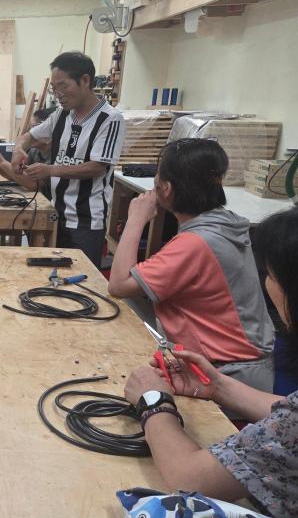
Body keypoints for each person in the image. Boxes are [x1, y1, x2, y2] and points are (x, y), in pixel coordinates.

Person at [124, 203, 298, 518]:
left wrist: (154, 402)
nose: (267, 285)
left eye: (271, 276)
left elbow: (188, 478)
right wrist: (218, 386)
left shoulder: (191, 242)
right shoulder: (229, 230)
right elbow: (297, 414)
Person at [109, 139, 274, 392]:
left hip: (229, 375)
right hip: (240, 365)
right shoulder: (224, 222)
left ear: (165, 188)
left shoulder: (195, 243)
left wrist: (136, 219)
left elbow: (118, 285)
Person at [1, 52, 125, 269]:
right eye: (54, 89)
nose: (58, 95)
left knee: (82, 278)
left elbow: (97, 167)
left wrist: (49, 170)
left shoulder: (110, 119)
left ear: (85, 80)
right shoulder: (62, 115)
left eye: (63, 87)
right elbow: (29, 136)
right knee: (50, 274)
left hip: (86, 220)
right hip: (55, 212)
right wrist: (19, 149)